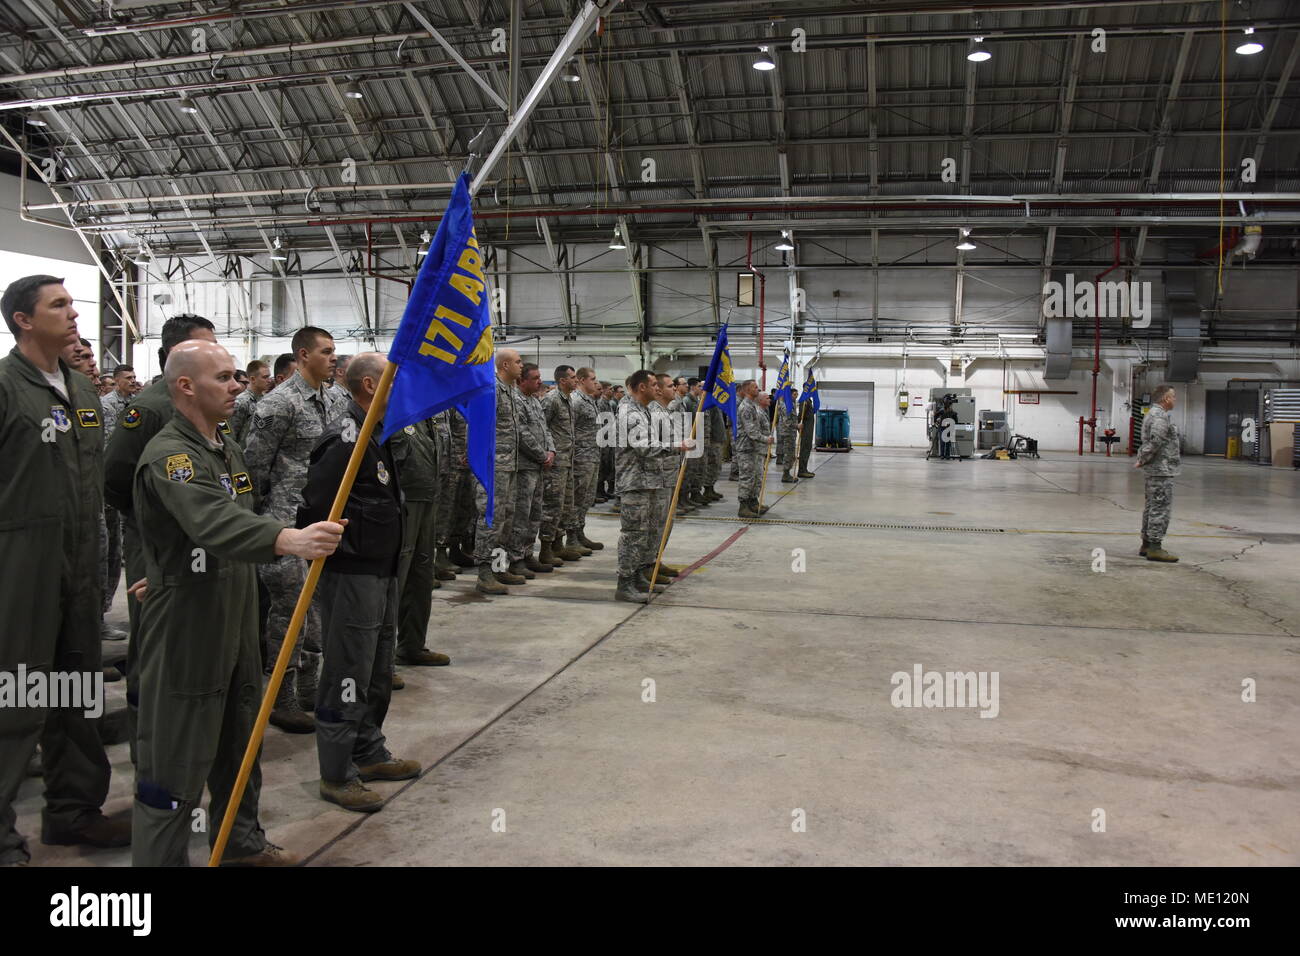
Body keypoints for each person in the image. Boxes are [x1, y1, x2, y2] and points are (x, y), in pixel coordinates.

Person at [130, 339, 343, 864]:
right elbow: (209, 519)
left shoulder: (224, 447)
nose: (238, 384)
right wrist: (286, 538)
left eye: (234, 376)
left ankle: (241, 844)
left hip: (233, 609)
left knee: (240, 745)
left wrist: (166, 564)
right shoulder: (171, 455)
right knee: (174, 756)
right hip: (188, 624)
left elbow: (196, 528)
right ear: (185, 386)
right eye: (223, 377)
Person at [0, 275, 128, 865]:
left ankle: (73, 812)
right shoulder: (6, 387)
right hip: (20, 572)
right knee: (17, 702)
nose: (74, 313)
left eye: (72, 303)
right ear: (23, 320)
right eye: (59, 305)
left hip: (80, 570)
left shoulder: (80, 389)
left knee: (74, 695)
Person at [296, 352, 420, 812]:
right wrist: (342, 561)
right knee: (347, 672)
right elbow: (315, 508)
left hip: (380, 567)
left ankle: (368, 751)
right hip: (353, 574)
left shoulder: (376, 433)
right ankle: (336, 772)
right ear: (371, 385)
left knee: (376, 667)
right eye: (396, 380)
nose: (403, 389)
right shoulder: (344, 438)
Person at [103, 314, 220, 758]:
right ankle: (148, 741)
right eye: (205, 349)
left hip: (200, 539)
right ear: (176, 356)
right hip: (158, 544)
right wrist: (151, 517)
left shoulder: (206, 403)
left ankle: (187, 736)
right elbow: (114, 476)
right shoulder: (151, 407)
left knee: (191, 639)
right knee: (154, 640)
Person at [243, 326, 345, 733]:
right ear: (302, 355)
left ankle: (309, 689)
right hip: (283, 521)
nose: (333, 358)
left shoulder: (334, 398)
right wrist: (263, 524)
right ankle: (281, 697)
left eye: (334, 351)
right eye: (326, 351)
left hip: (322, 520)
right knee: (289, 614)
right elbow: (254, 467)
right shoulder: (278, 404)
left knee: (318, 610)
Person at [389, 412, 452, 669]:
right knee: (397, 578)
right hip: (403, 500)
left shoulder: (428, 413)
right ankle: (381, 662)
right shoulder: (394, 407)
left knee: (421, 576)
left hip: (428, 495)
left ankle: (412, 645)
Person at [473, 348, 524, 594]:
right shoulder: (491, 389)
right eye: (518, 362)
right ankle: (484, 574)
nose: (521, 366)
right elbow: (479, 427)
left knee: (506, 519)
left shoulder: (511, 391)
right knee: (490, 519)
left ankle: (498, 567)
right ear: (504, 365)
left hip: (509, 465)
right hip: (492, 466)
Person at [510, 363, 555, 578]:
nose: (540, 381)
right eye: (535, 378)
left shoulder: (535, 401)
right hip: (524, 467)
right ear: (522, 381)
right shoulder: (516, 400)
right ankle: (516, 558)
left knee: (535, 514)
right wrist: (541, 455)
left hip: (538, 467)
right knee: (521, 515)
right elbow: (522, 433)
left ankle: (528, 554)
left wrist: (551, 450)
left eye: (540, 377)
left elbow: (545, 429)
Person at [541, 365, 584, 563]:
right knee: (552, 505)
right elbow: (543, 428)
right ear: (562, 380)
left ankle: (559, 544)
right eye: (573, 377)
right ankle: (546, 548)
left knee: (564, 506)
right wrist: (549, 452)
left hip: (567, 461)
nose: (576, 380)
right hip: (555, 463)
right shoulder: (552, 400)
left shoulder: (568, 400)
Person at [1135, 384, 1181, 563]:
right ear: (1166, 399)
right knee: (1160, 508)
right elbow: (1155, 442)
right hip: (1161, 469)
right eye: (1174, 396)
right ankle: (1155, 547)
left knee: (1152, 506)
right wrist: (1143, 458)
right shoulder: (1160, 416)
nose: (1175, 400)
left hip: (1156, 469)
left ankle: (1146, 543)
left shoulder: (1153, 414)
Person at [570, 367, 605, 550]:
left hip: (592, 456)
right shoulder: (576, 401)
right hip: (580, 458)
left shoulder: (591, 401)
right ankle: (571, 538)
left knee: (586, 498)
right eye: (592, 379)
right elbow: (569, 430)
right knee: (576, 499)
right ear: (582, 380)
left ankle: (580, 532)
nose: (595, 382)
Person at [736, 380, 773, 518]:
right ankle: (743, 506)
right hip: (746, 448)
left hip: (753, 448)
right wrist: (766, 439)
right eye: (755, 387)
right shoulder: (746, 407)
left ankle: (753, 502)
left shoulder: (752, 406)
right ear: (747, 390)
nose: (758, 389)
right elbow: (751, 432)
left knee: (755, 477)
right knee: (747, 478)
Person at [228, 359, 271, 443]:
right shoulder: (241, 402)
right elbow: (232, 435)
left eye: (269, 376)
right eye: (265, 377)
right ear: (253, 379)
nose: (269, 380)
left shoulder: (266, 399)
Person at [777, 389, 800, 483]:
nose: (796, 396)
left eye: (797, 394)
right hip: (787, 433)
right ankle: (785, 475)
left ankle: (787, 473)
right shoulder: (787, 406)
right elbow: (787, 422)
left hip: (791, 433)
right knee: (788, 454)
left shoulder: (792, 405)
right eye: (794, 394)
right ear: (789, 395)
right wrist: (797, 426)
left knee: (791, 454)